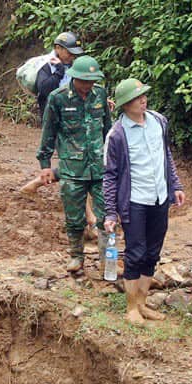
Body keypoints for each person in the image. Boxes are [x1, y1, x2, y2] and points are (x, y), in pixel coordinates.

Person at [102, 78, 186, 324]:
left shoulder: (159, 122)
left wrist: (176, 185)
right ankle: (131, 308)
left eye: (144, 96)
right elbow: (109, 175)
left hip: (159, 197)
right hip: (135, 200)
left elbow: (165, 155)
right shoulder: (117, 135)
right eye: (137, 98)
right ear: (125, 104)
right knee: (135, 253)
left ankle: (142, 303)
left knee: (152, 252)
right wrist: (110, 212)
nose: (143, 100)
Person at [38, 55, 111, 274]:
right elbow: (48, 131)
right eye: (84, 80)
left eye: (92, 80)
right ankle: (76, 255)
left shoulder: (100, 95)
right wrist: (45, 164)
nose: (88, 85)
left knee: (107, 216)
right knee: (74, 217)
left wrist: (115, 159)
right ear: (75, 78)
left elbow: (108, 129)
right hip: (72, 168)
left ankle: (106, 260)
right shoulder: (58, 98)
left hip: (100, 167)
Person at [32, 32, 84, 119]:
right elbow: (44, 90)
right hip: (51, 116)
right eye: (70, 53)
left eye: (74, 53)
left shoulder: (75, 66)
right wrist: (59, 72)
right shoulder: (46, 66)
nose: (73, 56)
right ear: (58, 48)